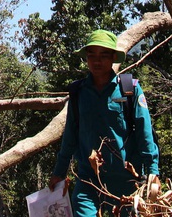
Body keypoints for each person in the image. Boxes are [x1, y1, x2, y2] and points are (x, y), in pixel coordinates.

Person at [49, 30, 160, 217]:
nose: (96, 61)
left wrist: (152, 171)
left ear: (113, 58)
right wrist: (59, 172)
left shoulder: (129, 88)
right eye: (91, 55)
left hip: (127, 180)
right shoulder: (78, 92)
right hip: (89, 179)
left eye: (103, 55)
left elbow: (144, 131)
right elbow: (70, 136)